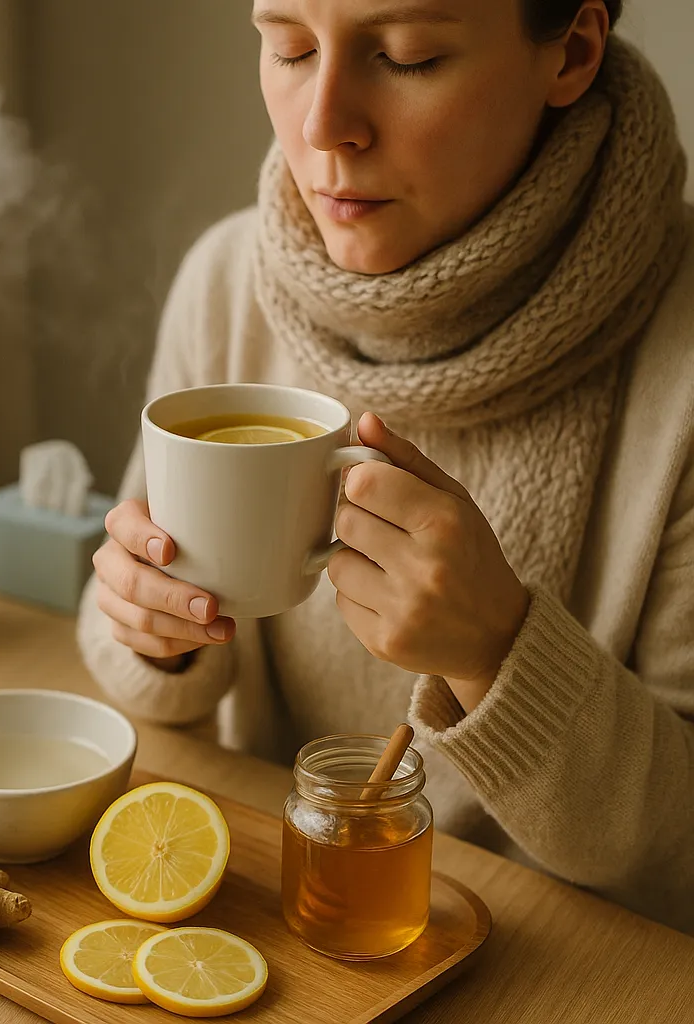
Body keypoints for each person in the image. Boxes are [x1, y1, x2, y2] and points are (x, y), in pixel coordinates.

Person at [77, 0, 694, 935]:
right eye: (288, 47)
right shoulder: (228, 281)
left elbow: (683, 856)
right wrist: (150, 628)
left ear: (570, 51)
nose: (322, 125)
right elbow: (134, 649)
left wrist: (501, 654)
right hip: (284, 923)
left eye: (407, 58)